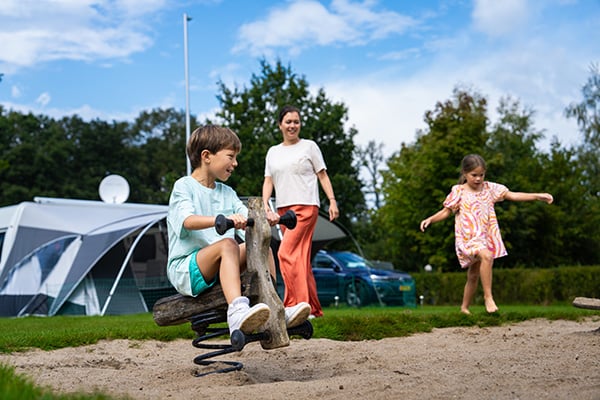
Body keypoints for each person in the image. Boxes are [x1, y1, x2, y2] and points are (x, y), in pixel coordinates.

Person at [166, 125, 310, 335]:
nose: (235, 163)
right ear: (207, 156)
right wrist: (220, 219)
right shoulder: (184, 186)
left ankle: (275, 308)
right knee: (228, 244)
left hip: (223, 263)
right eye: (230, 156)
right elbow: (187, 220)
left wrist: (263, 220)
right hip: (186, 269)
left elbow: (249, 222)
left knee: (264, 248)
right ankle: (236, 312)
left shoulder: (227, 192)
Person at [419, 154, 553, 314]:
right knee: (487, 257)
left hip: (484, 236)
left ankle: (464, 308)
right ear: (464, 173)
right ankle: (488, 297)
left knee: (474, 274)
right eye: (473, 175)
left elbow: (513, 195)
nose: (478, 179)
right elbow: (446, 211)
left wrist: (537, 196)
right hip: (468, 238)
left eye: (481, 175)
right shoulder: (459, 191)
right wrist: (431, 219)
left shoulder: (490, 189)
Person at [262, 105, 340, 318]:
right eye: (288, 122)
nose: (292, 126)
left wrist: (332, 201)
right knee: (300, 259)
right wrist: (265, 203)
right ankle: (312, 308)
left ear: (300, 124)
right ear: (280, 125)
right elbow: (268, 180)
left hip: (305, 207)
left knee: (285, 253)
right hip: (283, 210)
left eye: (296, 121)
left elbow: (322, 175)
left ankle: (295, 305)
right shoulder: (273, 152)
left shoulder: (309, 147)